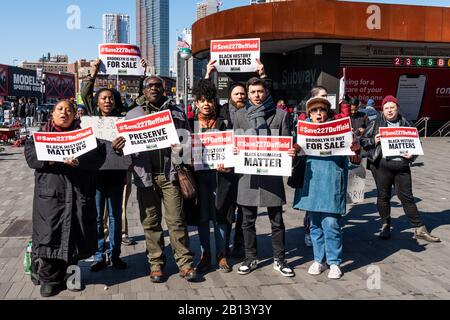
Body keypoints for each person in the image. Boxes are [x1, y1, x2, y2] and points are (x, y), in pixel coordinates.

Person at [112, 75, 197, 283]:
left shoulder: (176, 112)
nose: (154, 88)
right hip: (145, 176)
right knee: (150, 222)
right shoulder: (132, 115)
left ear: (164, 89)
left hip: (171, 174)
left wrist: (181, 148)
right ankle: (156, 264)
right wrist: (119, 148)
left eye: (158, 85)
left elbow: (188, 142)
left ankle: (185, 263)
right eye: (150, 86)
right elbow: (125, 151)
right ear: (143, 90)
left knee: (176, 220)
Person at [24, 100, 106, 297]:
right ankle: (49, 278)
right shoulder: (40, 136)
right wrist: (49, 158)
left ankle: (72, 275)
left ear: (75, 116)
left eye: (69, 110)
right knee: (49, 234)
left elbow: (98, 158)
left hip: (78, 194)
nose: (64, 113)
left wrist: (79, 161)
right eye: (60, 109)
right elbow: (30, 156)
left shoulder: (84, 136)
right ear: (52, 113)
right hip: (51, 196)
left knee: (76, 235)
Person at [233, 77, 296, 277]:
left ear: (266, 92)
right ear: (248, 94)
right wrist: (233, 149)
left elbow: (287, 142)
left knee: (276, 221)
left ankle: (280, 259)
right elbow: (235, 140)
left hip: (271, 175)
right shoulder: (240, 115)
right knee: (247, 221)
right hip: (248, 176)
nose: (257, 95)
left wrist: (291, 153)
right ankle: (250, 258)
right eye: (253, 92)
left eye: (260, 91)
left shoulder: (280, 115)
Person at [293, 97, 359, 280]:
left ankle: (334, 262)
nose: (318, 114)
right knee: (314, 224)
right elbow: (294, 157)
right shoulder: (303, 131)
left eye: (322, 110)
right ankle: (318, 259)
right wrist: (294, 151)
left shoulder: (340, 130)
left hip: (331, 182)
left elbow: (355, 160)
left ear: (327, 112)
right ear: (309, 114)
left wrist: (355, 149)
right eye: (314, 111)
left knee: (331, 224)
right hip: (312, 182)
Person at [360, 95, 440, 242]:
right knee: (383, 196)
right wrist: (373, 139)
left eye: (392, 107)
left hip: (401, 166)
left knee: (407, 197)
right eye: (386, 108)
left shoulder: (406, 123)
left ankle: (420, 229)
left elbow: (416, 144)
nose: (389, 111)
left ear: (397, 108)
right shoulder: (376, 122)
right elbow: (363, 141)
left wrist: (413, 155)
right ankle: (385, 224)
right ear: (382, 110)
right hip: (382, 166)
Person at [81, 60, 130, 272]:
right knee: (98, 219)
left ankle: (115, 254)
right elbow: (85, 93)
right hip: (96, 175)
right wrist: (93, 72)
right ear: (97, 103)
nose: (107, 101)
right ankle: (100, 255)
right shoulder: (91, 117)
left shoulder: (123, 120)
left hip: (117, 175)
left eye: (110, 98)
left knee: (114, 217)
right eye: (103, 98)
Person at [191, 80, 233, 273]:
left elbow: (232, 148)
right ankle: (205, 254)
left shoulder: (224, 122)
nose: (206, 104)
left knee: (220, 216)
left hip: (220, 176)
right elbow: (182, 148)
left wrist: (229, 163)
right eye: (202, 100)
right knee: (202, 217)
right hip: (198, 177)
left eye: (209, 100)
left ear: (214, 102)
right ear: (196, 103)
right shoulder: (190, 124)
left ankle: (221, 254)